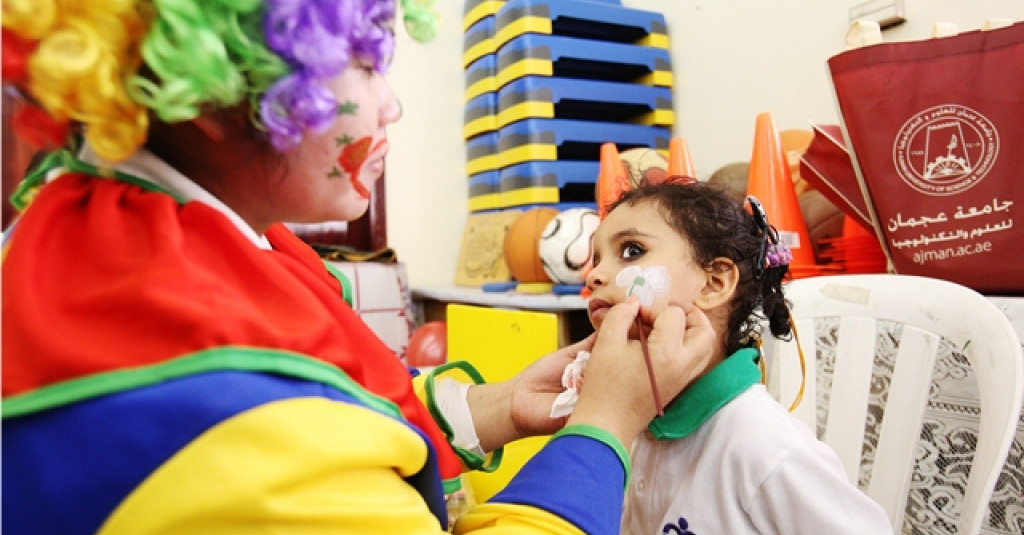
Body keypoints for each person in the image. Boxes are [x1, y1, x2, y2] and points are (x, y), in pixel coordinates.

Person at [0, 2, 717, 534]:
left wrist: (489, 407)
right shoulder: (206, 380)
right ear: (213, 93)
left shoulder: (157, 234)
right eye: (368, 65)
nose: (393, 104)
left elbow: (344, 409)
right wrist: (604, 424)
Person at [582, 180, 894, 534]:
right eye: (595, 258)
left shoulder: (765, 447)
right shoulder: (633, 419)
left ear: (713, 283)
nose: (594, 275)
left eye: (632, 250)